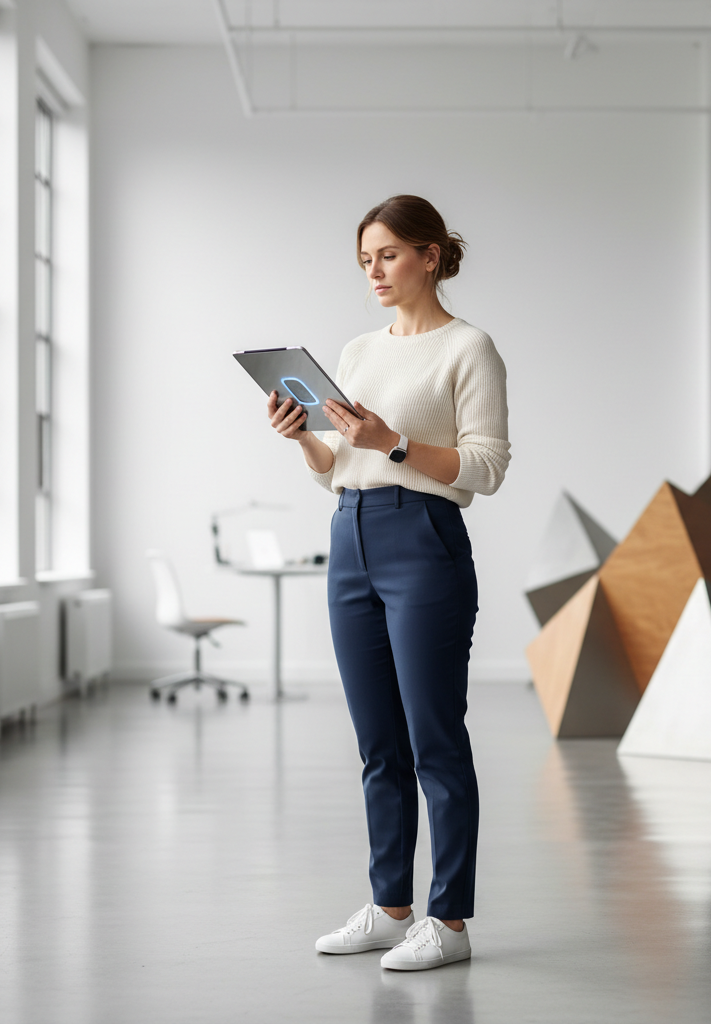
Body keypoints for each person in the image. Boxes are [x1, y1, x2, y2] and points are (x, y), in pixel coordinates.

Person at [266, 195, 510, 971]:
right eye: (365, 259)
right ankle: (389, 905)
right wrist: (307, 439)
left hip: (424, 539)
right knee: (377, 743)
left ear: (431, 255)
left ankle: (450, 921)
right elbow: (342, 467)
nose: (374, 271)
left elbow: (488, 468)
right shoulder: (359, 349)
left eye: (389, 255)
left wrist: (397, 441)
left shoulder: (469, 348)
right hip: (351, 535)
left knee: (434, 737)